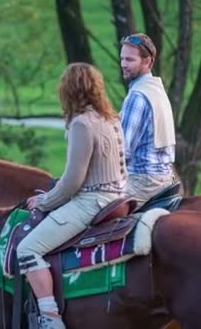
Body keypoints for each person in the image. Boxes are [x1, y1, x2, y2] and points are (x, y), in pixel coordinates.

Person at [17, 63, 127, 329]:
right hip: (120, 198)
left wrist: (44, 200)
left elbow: (72, 182)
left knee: (27, 248)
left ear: (68, 90)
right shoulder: (110, 118)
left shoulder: (82, 124)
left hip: (93, 201)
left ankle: (51, 319)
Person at [119, 33, 176, 208]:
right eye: (122, 59)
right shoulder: (157, 90)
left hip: (142, 181)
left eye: (130, 60)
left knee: (89, 207)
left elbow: (122, 151)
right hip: (165, 178)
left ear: (148, 62)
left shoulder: (137, 96)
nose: (123, 64)